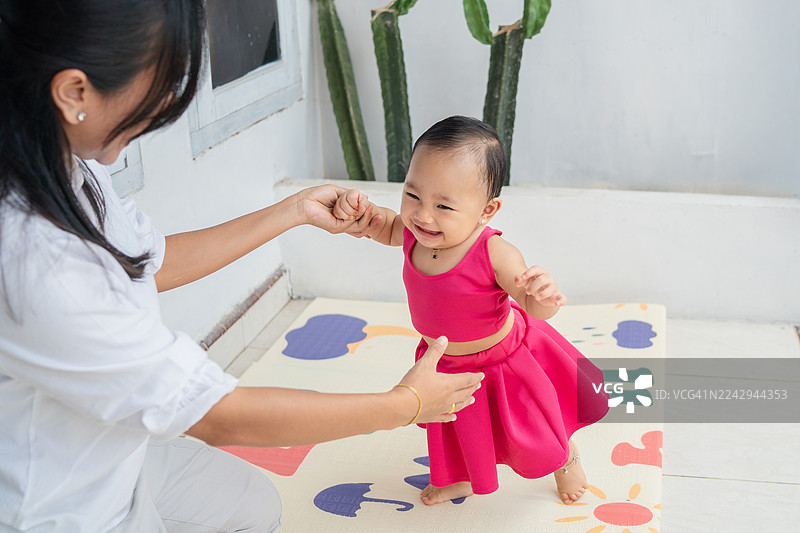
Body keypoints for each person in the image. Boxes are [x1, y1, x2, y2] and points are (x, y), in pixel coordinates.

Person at [0, 2, 483, 532]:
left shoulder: (63, 163)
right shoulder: (34, 265)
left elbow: (144, 261)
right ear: (74, 92)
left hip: (115, 454)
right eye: (156, 85)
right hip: (59, 508)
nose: (163, 106)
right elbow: (217, 414)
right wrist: (406, 403)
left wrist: (295, 211)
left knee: (253, 505)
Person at [335, 115, 609, 506]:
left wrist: (543, 295)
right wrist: (357, 213)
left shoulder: (495, 253)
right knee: (457, 427)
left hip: (501, 362)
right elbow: (380, 226)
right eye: (413, 195)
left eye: (444, 205)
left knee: (531, 428)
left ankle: (564, 459)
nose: (423, 215)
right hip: (444, 362)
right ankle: (461, 477)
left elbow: (531, 305)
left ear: (486, 210)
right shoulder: (411, 231)